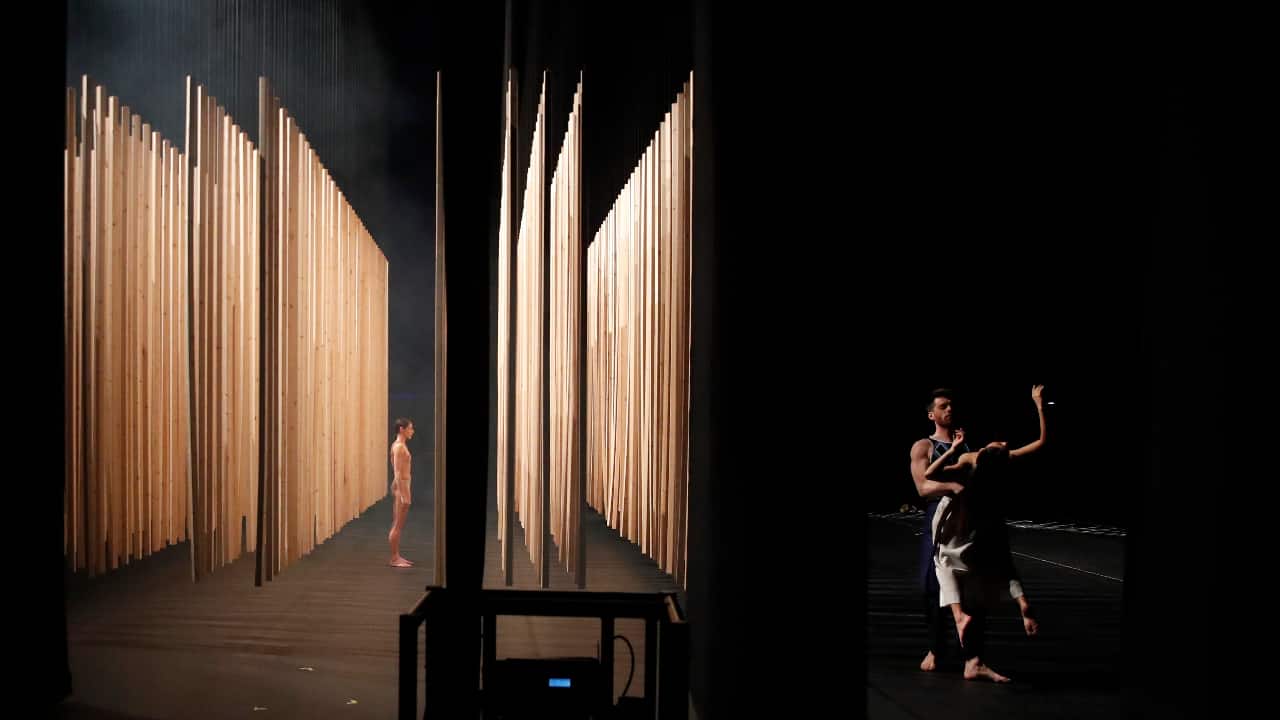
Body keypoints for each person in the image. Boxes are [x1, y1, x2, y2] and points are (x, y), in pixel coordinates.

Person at [925, 384, 1047, 682]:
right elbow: (1042, 442)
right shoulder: (1001, 461)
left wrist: (954, 450)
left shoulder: (975, 458)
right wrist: (1039, 406)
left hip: (956, 514)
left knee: (946, 562)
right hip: (979, 516)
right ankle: (977, 639)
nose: (1003, 441)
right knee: (982, 563)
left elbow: (930, 476)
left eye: (1002, 443)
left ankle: (960, 625)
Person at [908, 389, 970, 672]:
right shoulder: (924, 446)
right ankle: (936, 648)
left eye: (951, 405)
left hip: (967, 516)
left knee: (967, 585)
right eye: (943, 406)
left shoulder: (965, 446)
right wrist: (953, 487)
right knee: (930, 585)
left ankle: (972, 654)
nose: (949, 409)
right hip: (939, 513)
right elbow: (923, 487)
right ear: (932, 414)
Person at [389, 418, 415, 568]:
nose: (412, 431)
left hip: (403, 487)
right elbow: (397, 472)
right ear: (401, 429)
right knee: (397, 525)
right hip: (402, 488)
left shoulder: (399, 446)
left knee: (399, 524)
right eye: (410, 428)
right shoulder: (399, 447)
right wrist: (404, 495)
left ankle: (397, 555)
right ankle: (394, 558)